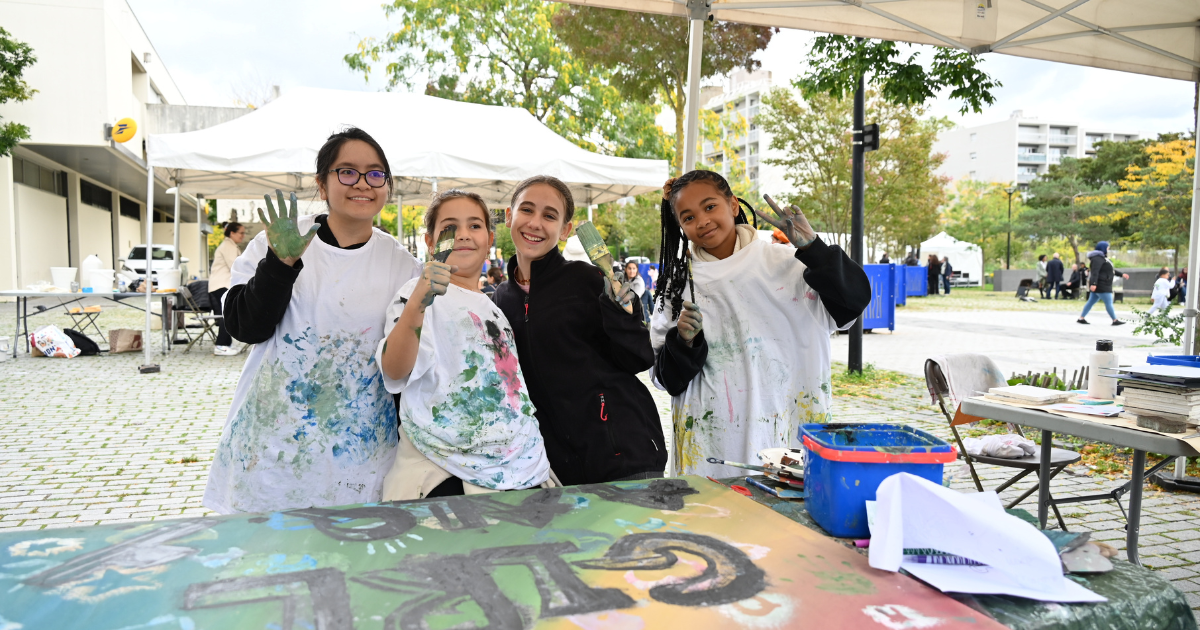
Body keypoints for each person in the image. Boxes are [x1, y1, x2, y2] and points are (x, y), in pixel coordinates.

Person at [203, 127, 422, 514]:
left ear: (387, 186)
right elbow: (244, 327)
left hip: (359, 455)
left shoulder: (401, 264)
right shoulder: (278, 239)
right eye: (347, 172)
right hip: (272, 450)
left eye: (375, 174)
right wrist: (280, 263)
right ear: (322, 184)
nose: (363, 184)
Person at [650, 170, 870, 478]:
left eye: (710, 206)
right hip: (711, 450)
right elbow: (663, 379)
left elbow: (852, 305)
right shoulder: (676, 287)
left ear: (733, 205)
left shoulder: (789, 263)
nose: (701, 221)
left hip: (786, 438)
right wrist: (682, 342)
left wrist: (815, 251)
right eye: (688, 217)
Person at [491, 175, 666, 485]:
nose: (535, 223)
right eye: (527, 210)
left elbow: (638, 358)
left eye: (549, 215)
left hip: (623, 454)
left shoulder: (589, 280)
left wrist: (624, 313)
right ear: (509, 216)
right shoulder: (500, 299)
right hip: (555, 468)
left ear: (565, 230)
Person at [377, 190, 550, 499]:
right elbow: (395, 370)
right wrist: (418, 302)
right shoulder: (414, 295)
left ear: (489, 238)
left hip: (522, 472)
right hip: (449, 474)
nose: (463, 235)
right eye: (449, 227)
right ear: (430, 242)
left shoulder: (493, 308)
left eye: (474, 225)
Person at [208, 221, 246, 356]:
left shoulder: (231, 245)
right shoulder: (228, 246)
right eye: (241, 232)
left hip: (222, 285)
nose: (243, 235)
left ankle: (226, 343)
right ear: (232, 233)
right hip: (221, 285)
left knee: (228, 312)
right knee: (227, 313)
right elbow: (235, 267)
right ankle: (221, 345)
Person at [1077, 241, 1128, 326]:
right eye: (1107, 247)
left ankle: (1081, 318)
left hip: (1102, 283)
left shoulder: (1103, 258)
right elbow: (1094, 272)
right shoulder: (1097, 258)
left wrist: (1121, 274)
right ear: (1103, 248)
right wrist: (1093, 283)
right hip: (1101, 284)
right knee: (1109, 302)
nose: (1108, 249)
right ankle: (1115, 320)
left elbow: (1110, 271)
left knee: (1091, 302)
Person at [624, 260, 649, 325]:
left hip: (636, 311)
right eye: (629, 268)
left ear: (637, 269)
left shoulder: (639, 281)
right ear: (625, 269)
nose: (632, 271)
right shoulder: (622, 279)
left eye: (634, 268)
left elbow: (634, 297)